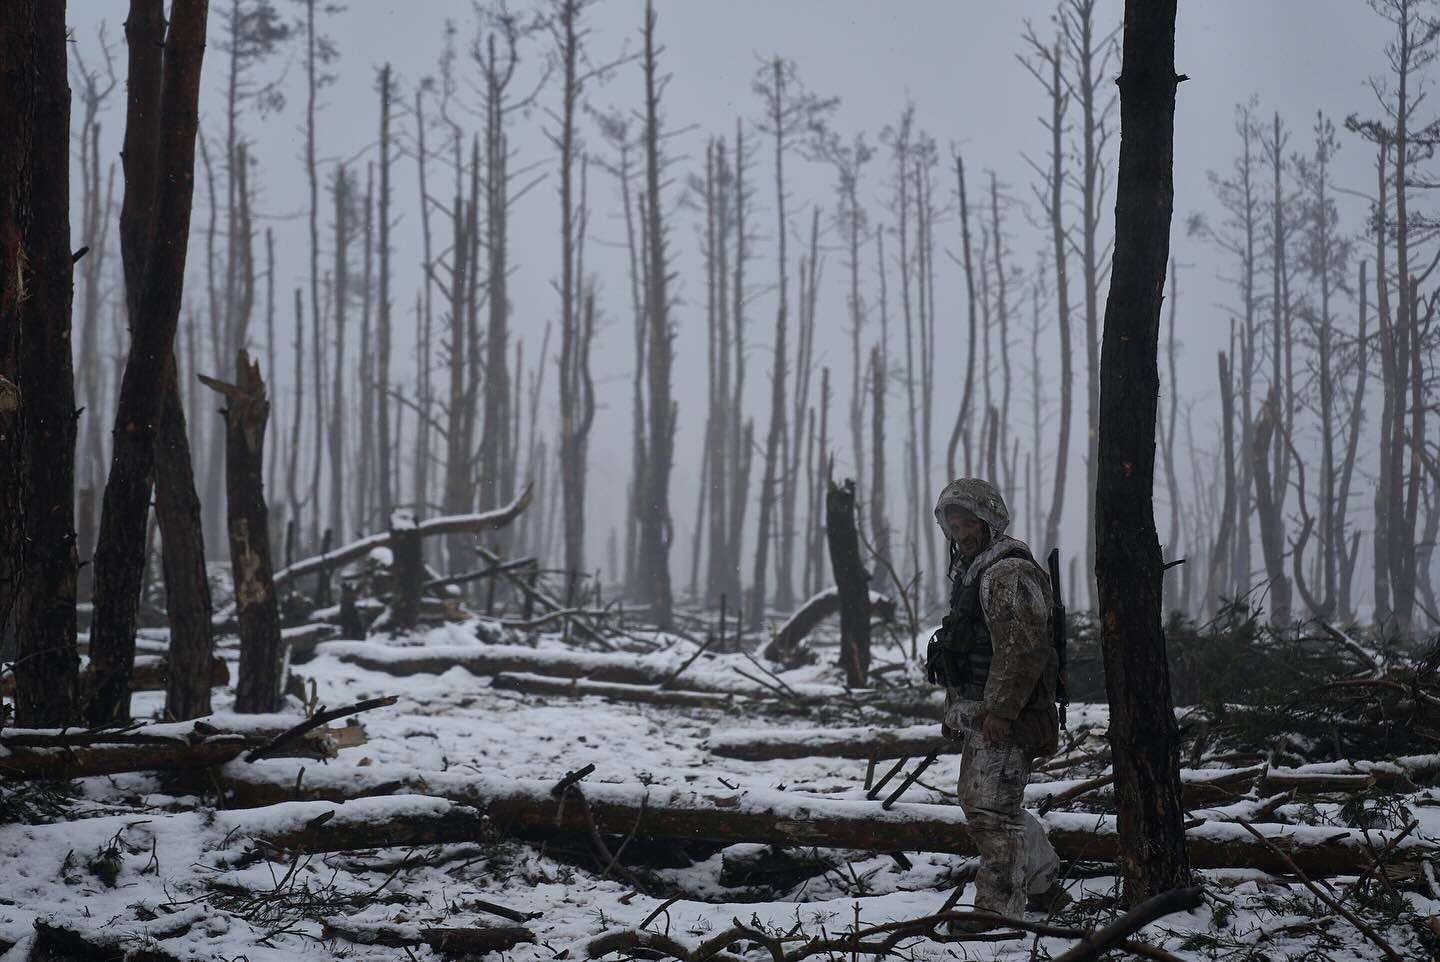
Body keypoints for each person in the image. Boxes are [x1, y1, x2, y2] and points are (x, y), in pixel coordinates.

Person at [925, 477, 1069, 923]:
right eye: (955, 525)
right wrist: (958, 711)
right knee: (982, 803)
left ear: (989, 522)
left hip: (1011, 718)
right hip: (986, 714)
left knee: (992, 815)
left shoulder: (1008, 572)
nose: (962, 533)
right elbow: (968, 651)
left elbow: (1022, 648)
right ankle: (1045, 883)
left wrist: (1002, 712)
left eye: (970, 523)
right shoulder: (976, 572)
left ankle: (997, 915)